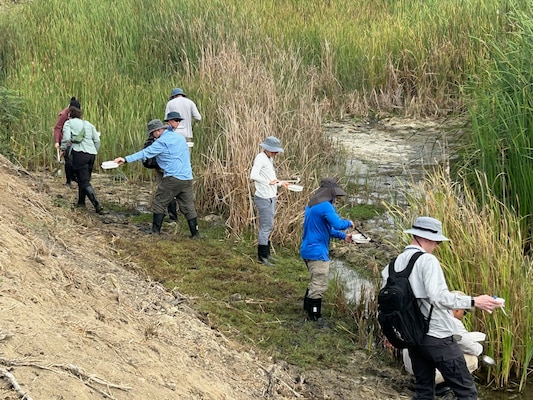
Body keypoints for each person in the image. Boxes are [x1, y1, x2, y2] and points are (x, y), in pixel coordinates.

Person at [381, 216, 504, 400]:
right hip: (438, 337)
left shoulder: (392, 265)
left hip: (413, 339)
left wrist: (389, 334)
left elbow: (385, 305)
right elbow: (439, 297)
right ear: (427, 238)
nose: (437, 245)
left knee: (423, 391)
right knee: (467, 392)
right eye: (437, 241)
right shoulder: (427, 261)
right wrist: (474, 301)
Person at [114, 113, 200, 238]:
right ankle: (195, 234)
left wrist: (125, 159)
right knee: (188, 206)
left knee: (159, 202)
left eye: (152, 134)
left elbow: (145, 153)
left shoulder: (162, 142)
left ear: (158, 131)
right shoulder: (180, 138)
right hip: (187, 178)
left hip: (172, 178)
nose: (152, 136)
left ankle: (155, 232)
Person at [402, 290, 483, 392]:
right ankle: (444, 386)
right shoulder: (452, 322)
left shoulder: (424, 313)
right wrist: (480, 347)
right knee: (472, 359)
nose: (463, 316)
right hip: (428, 372)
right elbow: (473, 349)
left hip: (412, 367)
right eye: (464, 312)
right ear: (457, 308)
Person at [300, 178, 354, 326]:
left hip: (307, 249)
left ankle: (307, 308)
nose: (335, 199)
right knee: (319, 283)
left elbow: (327, 229)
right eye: (334, 196)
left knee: (314, 280)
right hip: (318, 252)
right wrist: (349, 223)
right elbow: (337, 224)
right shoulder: (325, 206)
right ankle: (314, 316)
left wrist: (343, 237)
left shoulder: (312, 204)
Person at [249, 136, 289, 266]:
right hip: (263, 197)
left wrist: (281, 183)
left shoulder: (269, 158)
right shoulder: (260, 158)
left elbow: (271, 178)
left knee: (269, 225)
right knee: (265, 227)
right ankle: (262, 257)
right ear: (266, 148)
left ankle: (267, 254)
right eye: (273, 151)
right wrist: (268, 182)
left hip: (271, 196)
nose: (276, 153)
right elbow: (253, 176)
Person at [60, 106, 102, 213]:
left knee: (83, 180)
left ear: (69, 115)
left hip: (79, 153)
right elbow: (97, 140)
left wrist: (63, 149)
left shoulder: (68, 123)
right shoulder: (89, 124)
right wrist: (94, 150)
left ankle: (96, 204)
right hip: (91, 154)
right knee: (84, 179)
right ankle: (81, 202)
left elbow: (66, 138)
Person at [142, 123, 179, 223]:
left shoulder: (157, 141)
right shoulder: (170, 137)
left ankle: (168, 217)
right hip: (168, 168)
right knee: (169, 193)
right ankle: (172, 216)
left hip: (164, 168)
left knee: (165, 193)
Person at [54, 97, 81, 187]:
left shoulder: (76, 114)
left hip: (75, 141)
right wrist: (57, 142)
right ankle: (68, 181)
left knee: (75, 160)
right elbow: (57, 128)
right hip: (65, 140)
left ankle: (74, 177)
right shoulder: (64, 115)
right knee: (68, 161)